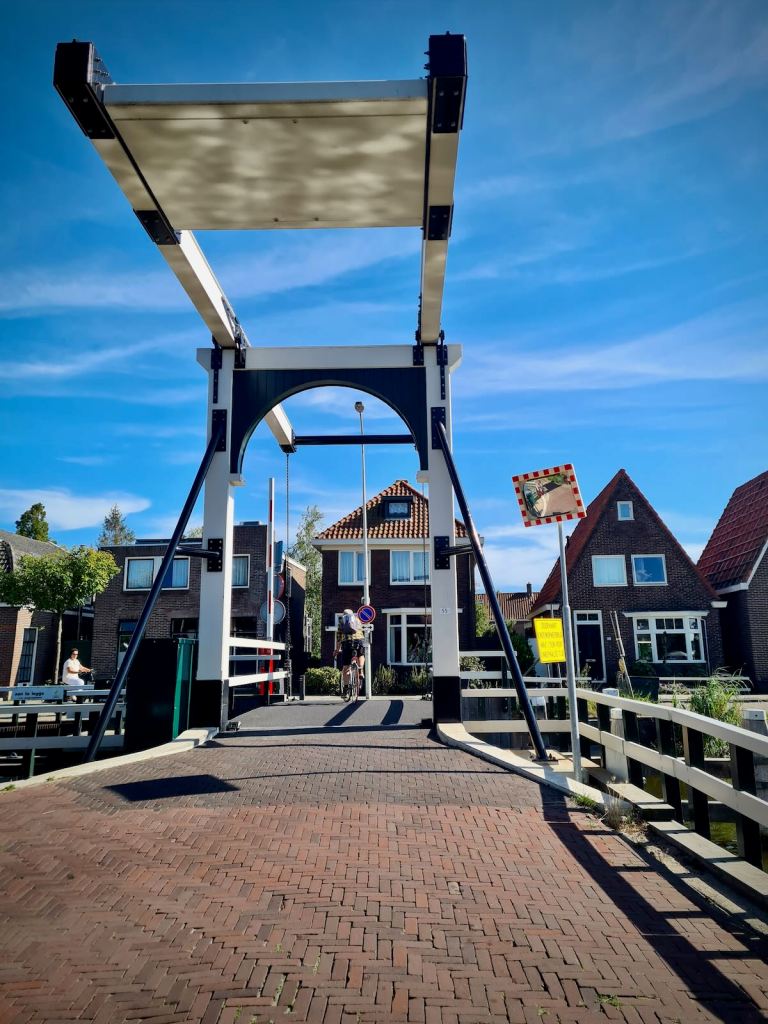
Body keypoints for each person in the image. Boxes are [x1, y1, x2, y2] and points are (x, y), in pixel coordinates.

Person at [333, 608, 364, 697]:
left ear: (343, 615)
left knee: (346, 667)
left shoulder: (341, 621)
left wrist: (337, 650)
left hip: (347, 643)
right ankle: (361, 670)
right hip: (358, 642)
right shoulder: (357, 620)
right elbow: (361, 633)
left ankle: (346, 690)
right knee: (361, 655)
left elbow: (339, 638)